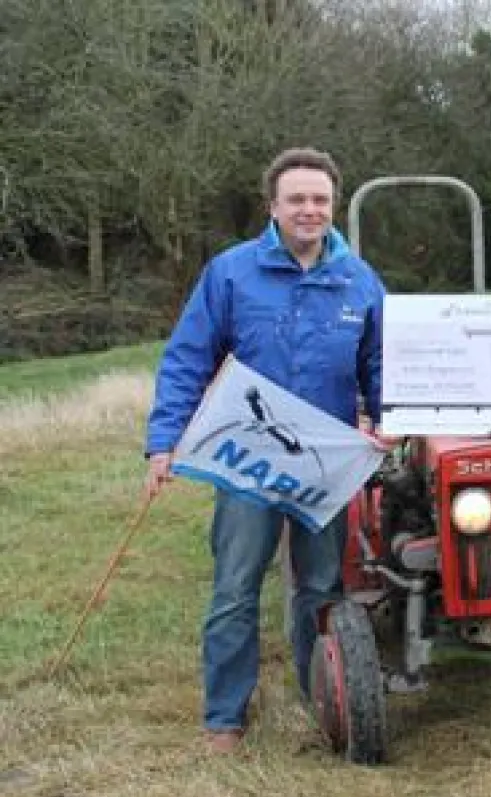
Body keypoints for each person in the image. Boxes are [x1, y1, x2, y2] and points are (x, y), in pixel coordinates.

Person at [143, 147, 390, 754]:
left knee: (322, 586)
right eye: (297, 199)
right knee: (235, 586)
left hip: (323, 469)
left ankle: (322, 692)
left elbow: (382, 365)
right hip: (248, 462)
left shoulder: (359, 280)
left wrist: (390, 420)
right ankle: (224, 716)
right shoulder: (231, 273)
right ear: (273, 206)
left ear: (334, 206)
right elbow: (186, 360)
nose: (310, 210)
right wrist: (163, 442)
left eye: (321, 200)